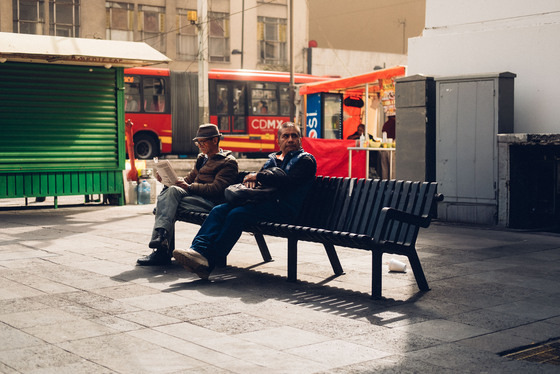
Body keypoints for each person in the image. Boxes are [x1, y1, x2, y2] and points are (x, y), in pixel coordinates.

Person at [172, 122, 317, 279]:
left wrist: (259, 177)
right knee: (219, 209)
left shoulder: (305, 160)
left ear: (300, 140)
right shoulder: (272, 160)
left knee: (237, 214)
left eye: (294, 136)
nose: (290, 139)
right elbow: (263, 180)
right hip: (264, 205)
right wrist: (252, 180)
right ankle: (197, 250)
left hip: (286, 210)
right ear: (278, 141)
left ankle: (209, 260)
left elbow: (288, 182)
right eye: (285, 136)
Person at [137, 124, 239, 266]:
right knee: (170, 192)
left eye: (203, 142)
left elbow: (217, 189)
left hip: (211, 204)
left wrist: (189, 187)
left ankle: (161, 247)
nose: (200, 145)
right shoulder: (202, 158)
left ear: (215, 140)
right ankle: (160, 240)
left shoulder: (228, 162)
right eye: (198, 142)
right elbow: (188, 180)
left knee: (168, 200)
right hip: (194, 199)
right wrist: (169, 180)